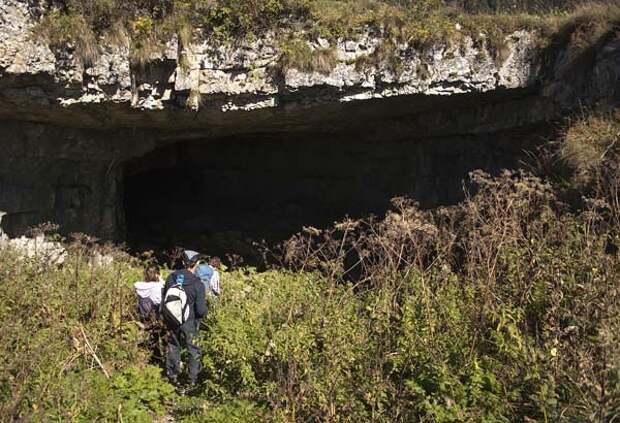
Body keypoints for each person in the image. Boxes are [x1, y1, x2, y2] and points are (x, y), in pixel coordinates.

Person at [162, 249, 207, 387]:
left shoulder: (172, 278)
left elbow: (164, 299)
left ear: (182, 261)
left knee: (173, 346)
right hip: (190, 322)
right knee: (193, 349)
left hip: (172, 320)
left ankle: (172, 376)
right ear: (197, 263)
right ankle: (192, 380)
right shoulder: (198, 284)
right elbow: (200, 310)